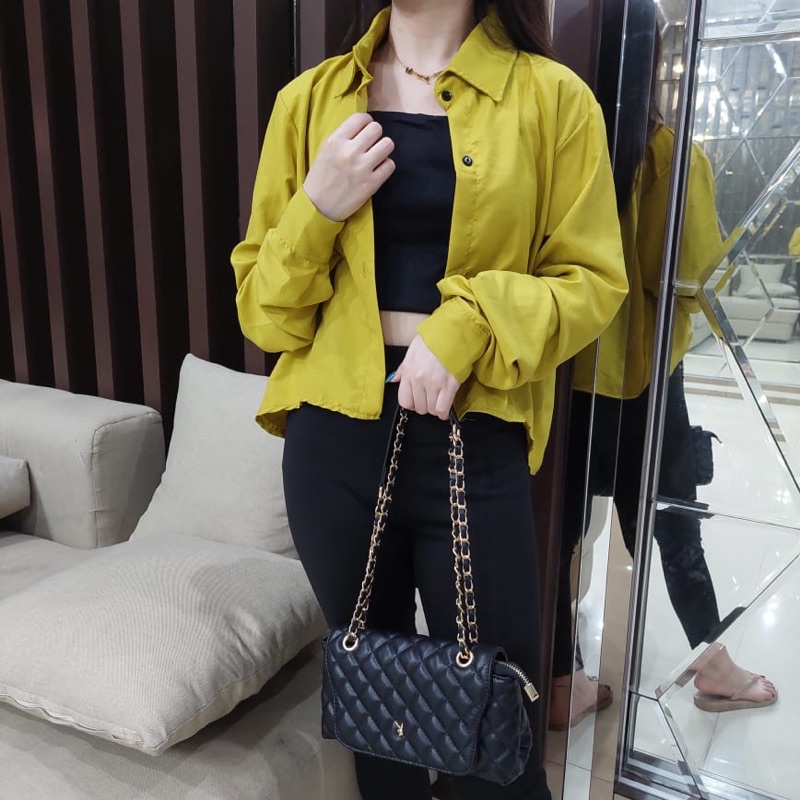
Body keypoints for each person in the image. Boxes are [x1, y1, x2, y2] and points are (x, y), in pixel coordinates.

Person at [231, 1, 628, 797]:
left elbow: (592, 282)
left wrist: (468, 325)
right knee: (376, 711)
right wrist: (318, 205)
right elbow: (264, 314)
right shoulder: (309, 101)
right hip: (333, 444)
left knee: (498, 727)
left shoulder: (552, 99)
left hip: (472, 436)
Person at [549, 45, 778, 729]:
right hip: (642, 378)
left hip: (556, 374)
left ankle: (558, 677)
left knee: (556, 529)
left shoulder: (556, 138)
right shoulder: (670, 156)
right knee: (673, 524)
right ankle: (713, 665)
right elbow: (697, 275)